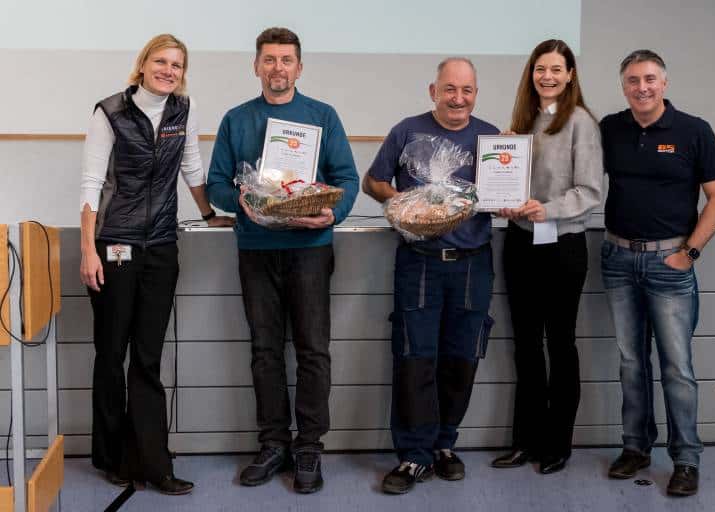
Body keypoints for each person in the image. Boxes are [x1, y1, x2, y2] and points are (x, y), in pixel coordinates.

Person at [206, 27, 359, 494]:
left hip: (310, 250)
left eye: (286, 60)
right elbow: (216, 185)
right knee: (265, 351)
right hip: (256, 250)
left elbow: (347, 179)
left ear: (299, 67)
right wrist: (241, 200)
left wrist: (332, 213)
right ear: (256, 66)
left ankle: (309, 446)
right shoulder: (236, 120)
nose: (278, 68)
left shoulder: (322, 116)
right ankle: (273, 442)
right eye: (269, 59)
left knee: (313, 350)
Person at [79, 33, 233, 495]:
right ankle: (113, 458)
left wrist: (208, 214)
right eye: (161, 62)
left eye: (177, 65)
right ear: (143, 64)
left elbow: (192, 167)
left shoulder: (183, 110)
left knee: (147, 358)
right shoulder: (110, 112)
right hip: (115, 245)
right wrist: (88, 250)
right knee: (111, 354)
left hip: (162, 246)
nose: (169, 71)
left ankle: (154, 462)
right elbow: (91, 182)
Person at [363, 57, 498, 494]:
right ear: (433, 91)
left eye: (467, 90)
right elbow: (373, 182)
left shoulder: (492, 138)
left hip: (474, 262)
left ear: (475, 94)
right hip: (420, 260)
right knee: (415, 357)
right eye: (450, 89)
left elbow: (504, 194)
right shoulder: (407, 131)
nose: (458, 98)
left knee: (463, 357)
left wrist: (514, 198)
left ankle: (444, 444)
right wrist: (407, 204)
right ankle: (413, 455)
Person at [600, 49, 715, 496]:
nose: (642, 87)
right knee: (631, 362)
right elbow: (568, 159)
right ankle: (636, 448)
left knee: (676, 367)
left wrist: (689, 253)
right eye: (633, 80)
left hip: (669, 264)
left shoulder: (694, 131)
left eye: (650, 79)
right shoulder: (610, 128)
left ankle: (686, 460)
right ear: (623, 86)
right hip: (618, 260)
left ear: (664, 83)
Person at [491, 39, 602, 475]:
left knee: (560, 344)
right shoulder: (523, 120)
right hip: (520, 243)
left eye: (556, 69)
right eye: (540, 69)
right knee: (525, 346)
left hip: (562, 247)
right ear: (531, 74)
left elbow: (590, 191)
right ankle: (526, 441)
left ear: (570, 75)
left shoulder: (581, 122)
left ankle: (558, 444)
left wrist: (547, 209)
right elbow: (513, 185)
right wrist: (503, 188)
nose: (548, 77)